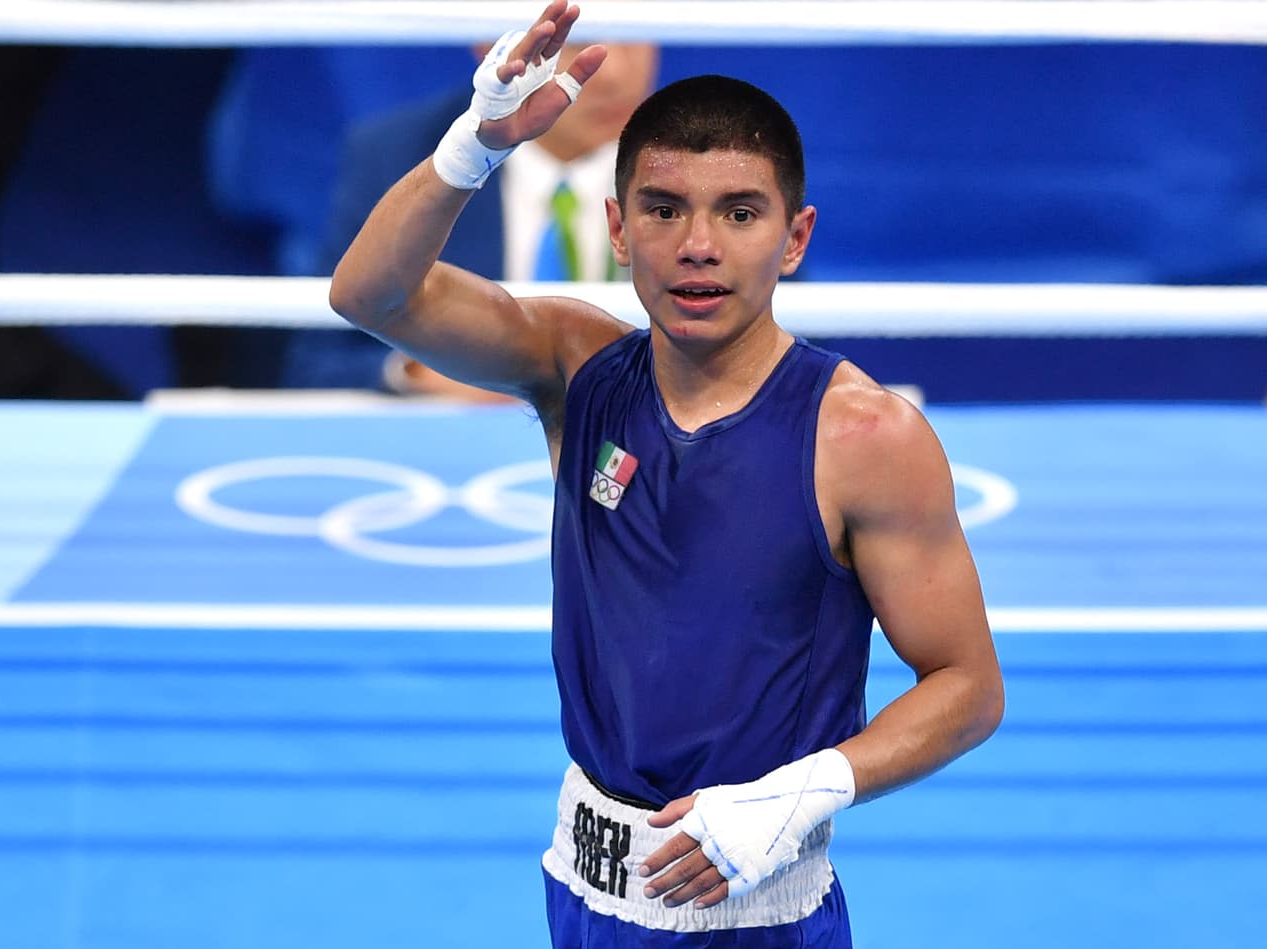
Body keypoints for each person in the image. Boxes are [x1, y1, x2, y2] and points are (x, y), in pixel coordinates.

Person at [329, 2, 1005, 945]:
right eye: (664, 208)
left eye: (739, 213)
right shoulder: (575, 366)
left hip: (761, 910)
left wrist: (804, 790)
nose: (698, 245)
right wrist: (473, 146)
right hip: (584, 887)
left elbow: (968, 683)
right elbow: (369, 294)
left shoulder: (863, 435)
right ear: (617, 225)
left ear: (796, 237)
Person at [280, 29, 657, 396]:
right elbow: (317, 363)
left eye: (631, 33)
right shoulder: (400, 158)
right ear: (490, 45)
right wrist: (417, 373)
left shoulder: (699, 159)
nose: (615, 73)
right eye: (576, 42)